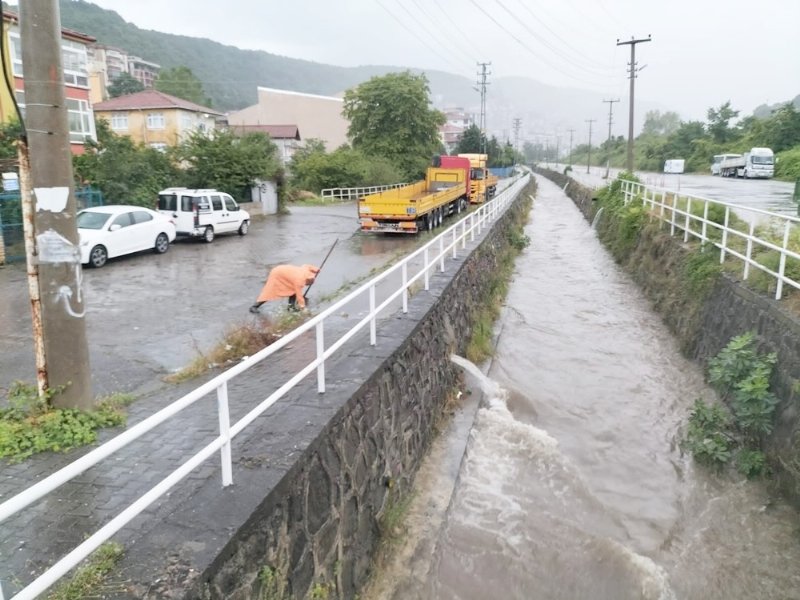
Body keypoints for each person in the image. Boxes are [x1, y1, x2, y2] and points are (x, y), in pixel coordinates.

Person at [250, 264, 320, 313]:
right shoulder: (299, 281)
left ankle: (291, 307)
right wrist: (303, 308)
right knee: (270, 291)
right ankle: (254, 306)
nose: (306, 285)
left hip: (284, 272)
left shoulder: (306, 271)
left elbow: (307, 265)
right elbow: (299, 295)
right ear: (307, 281)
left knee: (293, 290)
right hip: (277, 273)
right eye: (308, 284)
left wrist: (317, 269)